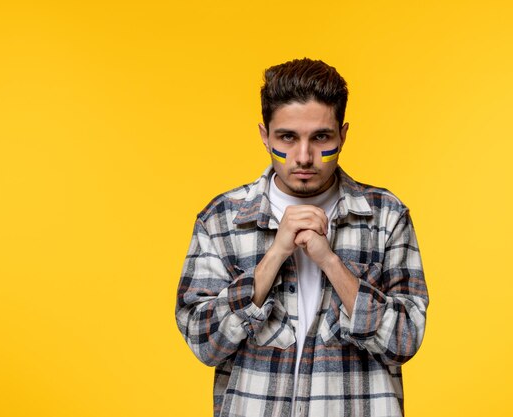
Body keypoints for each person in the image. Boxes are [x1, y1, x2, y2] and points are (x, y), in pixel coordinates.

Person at [175, 58, 429, 417]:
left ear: (343, 134)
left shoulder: (386, 216)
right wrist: (276, 254)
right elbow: (205, 343)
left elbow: (405, 339)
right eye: (287, 138)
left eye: (321, 137)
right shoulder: (221, 219)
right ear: (265, 136)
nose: (305, 156)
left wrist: (329, 261)